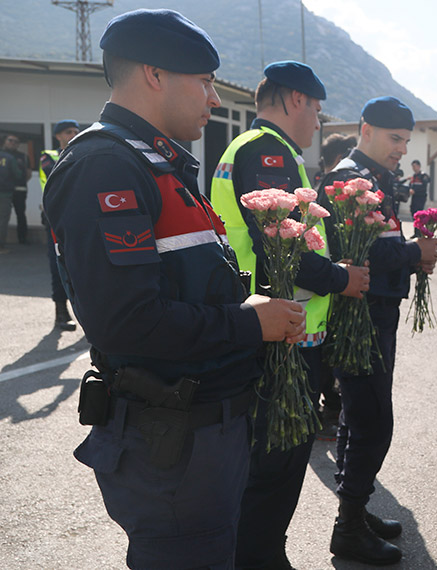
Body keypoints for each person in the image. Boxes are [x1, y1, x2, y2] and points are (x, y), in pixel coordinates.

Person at [43, 9, 306, 568]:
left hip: (203, 438)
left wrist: (250, 308)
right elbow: (127, 322)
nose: (215, 99)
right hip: (174, 444)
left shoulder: (154, 162)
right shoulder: (105, 166)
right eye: (205, 81)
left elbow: (188, 289)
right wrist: (250, 322)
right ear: (154, 74)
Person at [209, 60, 371, 570]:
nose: (318, 122)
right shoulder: (268, 152)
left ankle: (261, 553)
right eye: (317, 110)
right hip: (279, 331)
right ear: (295, 99)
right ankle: (259, 558)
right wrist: (341, 278)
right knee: (276, 464)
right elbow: (282, 246)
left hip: (276, 323)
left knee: (275, 459)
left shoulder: (252, 147)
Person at [319, 96, 437, 567]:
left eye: (406, 141)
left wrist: (412, 255)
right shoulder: (350, 179)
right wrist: (416, 253)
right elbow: (362, 254)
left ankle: (355, 510)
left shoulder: (375, 178)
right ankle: (348, 527)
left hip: (376, 313)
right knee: (372, 421)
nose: (401, 149)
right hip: (360, 317)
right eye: (395, 139)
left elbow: (379, 245)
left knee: (358, 417)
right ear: (365, 130)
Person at [315, 130, 358, 441]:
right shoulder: (329, 190)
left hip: (335, 278)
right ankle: (330, 408)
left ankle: (331, 406)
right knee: (328, 352)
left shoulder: (323, 185)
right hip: (333, 281)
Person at [40, 120, 81, 330]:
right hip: (55, 220)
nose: (73, 134)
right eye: (68, 132)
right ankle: (61, 312)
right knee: (59, 266)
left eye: (76, 131)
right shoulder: (49, 156)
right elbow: (57, 175)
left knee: (86, 265)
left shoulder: (84, 153)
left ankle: (92, 315)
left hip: (80, 217)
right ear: (58, 136)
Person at [3, 134, 30, 245]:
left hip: (19, 189)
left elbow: (28, 173)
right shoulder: (2, 155)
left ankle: (22, 239)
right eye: (10, 140)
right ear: (5, 141)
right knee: (3, 215)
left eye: (16, 142)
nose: (13, 143)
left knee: (21, 214)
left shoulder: (23, 156)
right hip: (3, 190)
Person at [0, 135, 20, 254]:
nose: (13, 143)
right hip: (5, 194)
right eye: (10, 140)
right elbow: (17, 174)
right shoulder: (9, 158)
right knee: (2, 220)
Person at [405, 159, 430, 236]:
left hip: (421, 198)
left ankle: (420, 232)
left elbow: (424, 186)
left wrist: (415, 191)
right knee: (414, 213)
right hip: (414, 198)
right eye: (412, 166)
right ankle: (416, 232)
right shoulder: (413, 177)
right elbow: (410, 185)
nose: (413, 168)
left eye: (415, 166)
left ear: (419, 166)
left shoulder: (423, 175)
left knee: (419, 215)